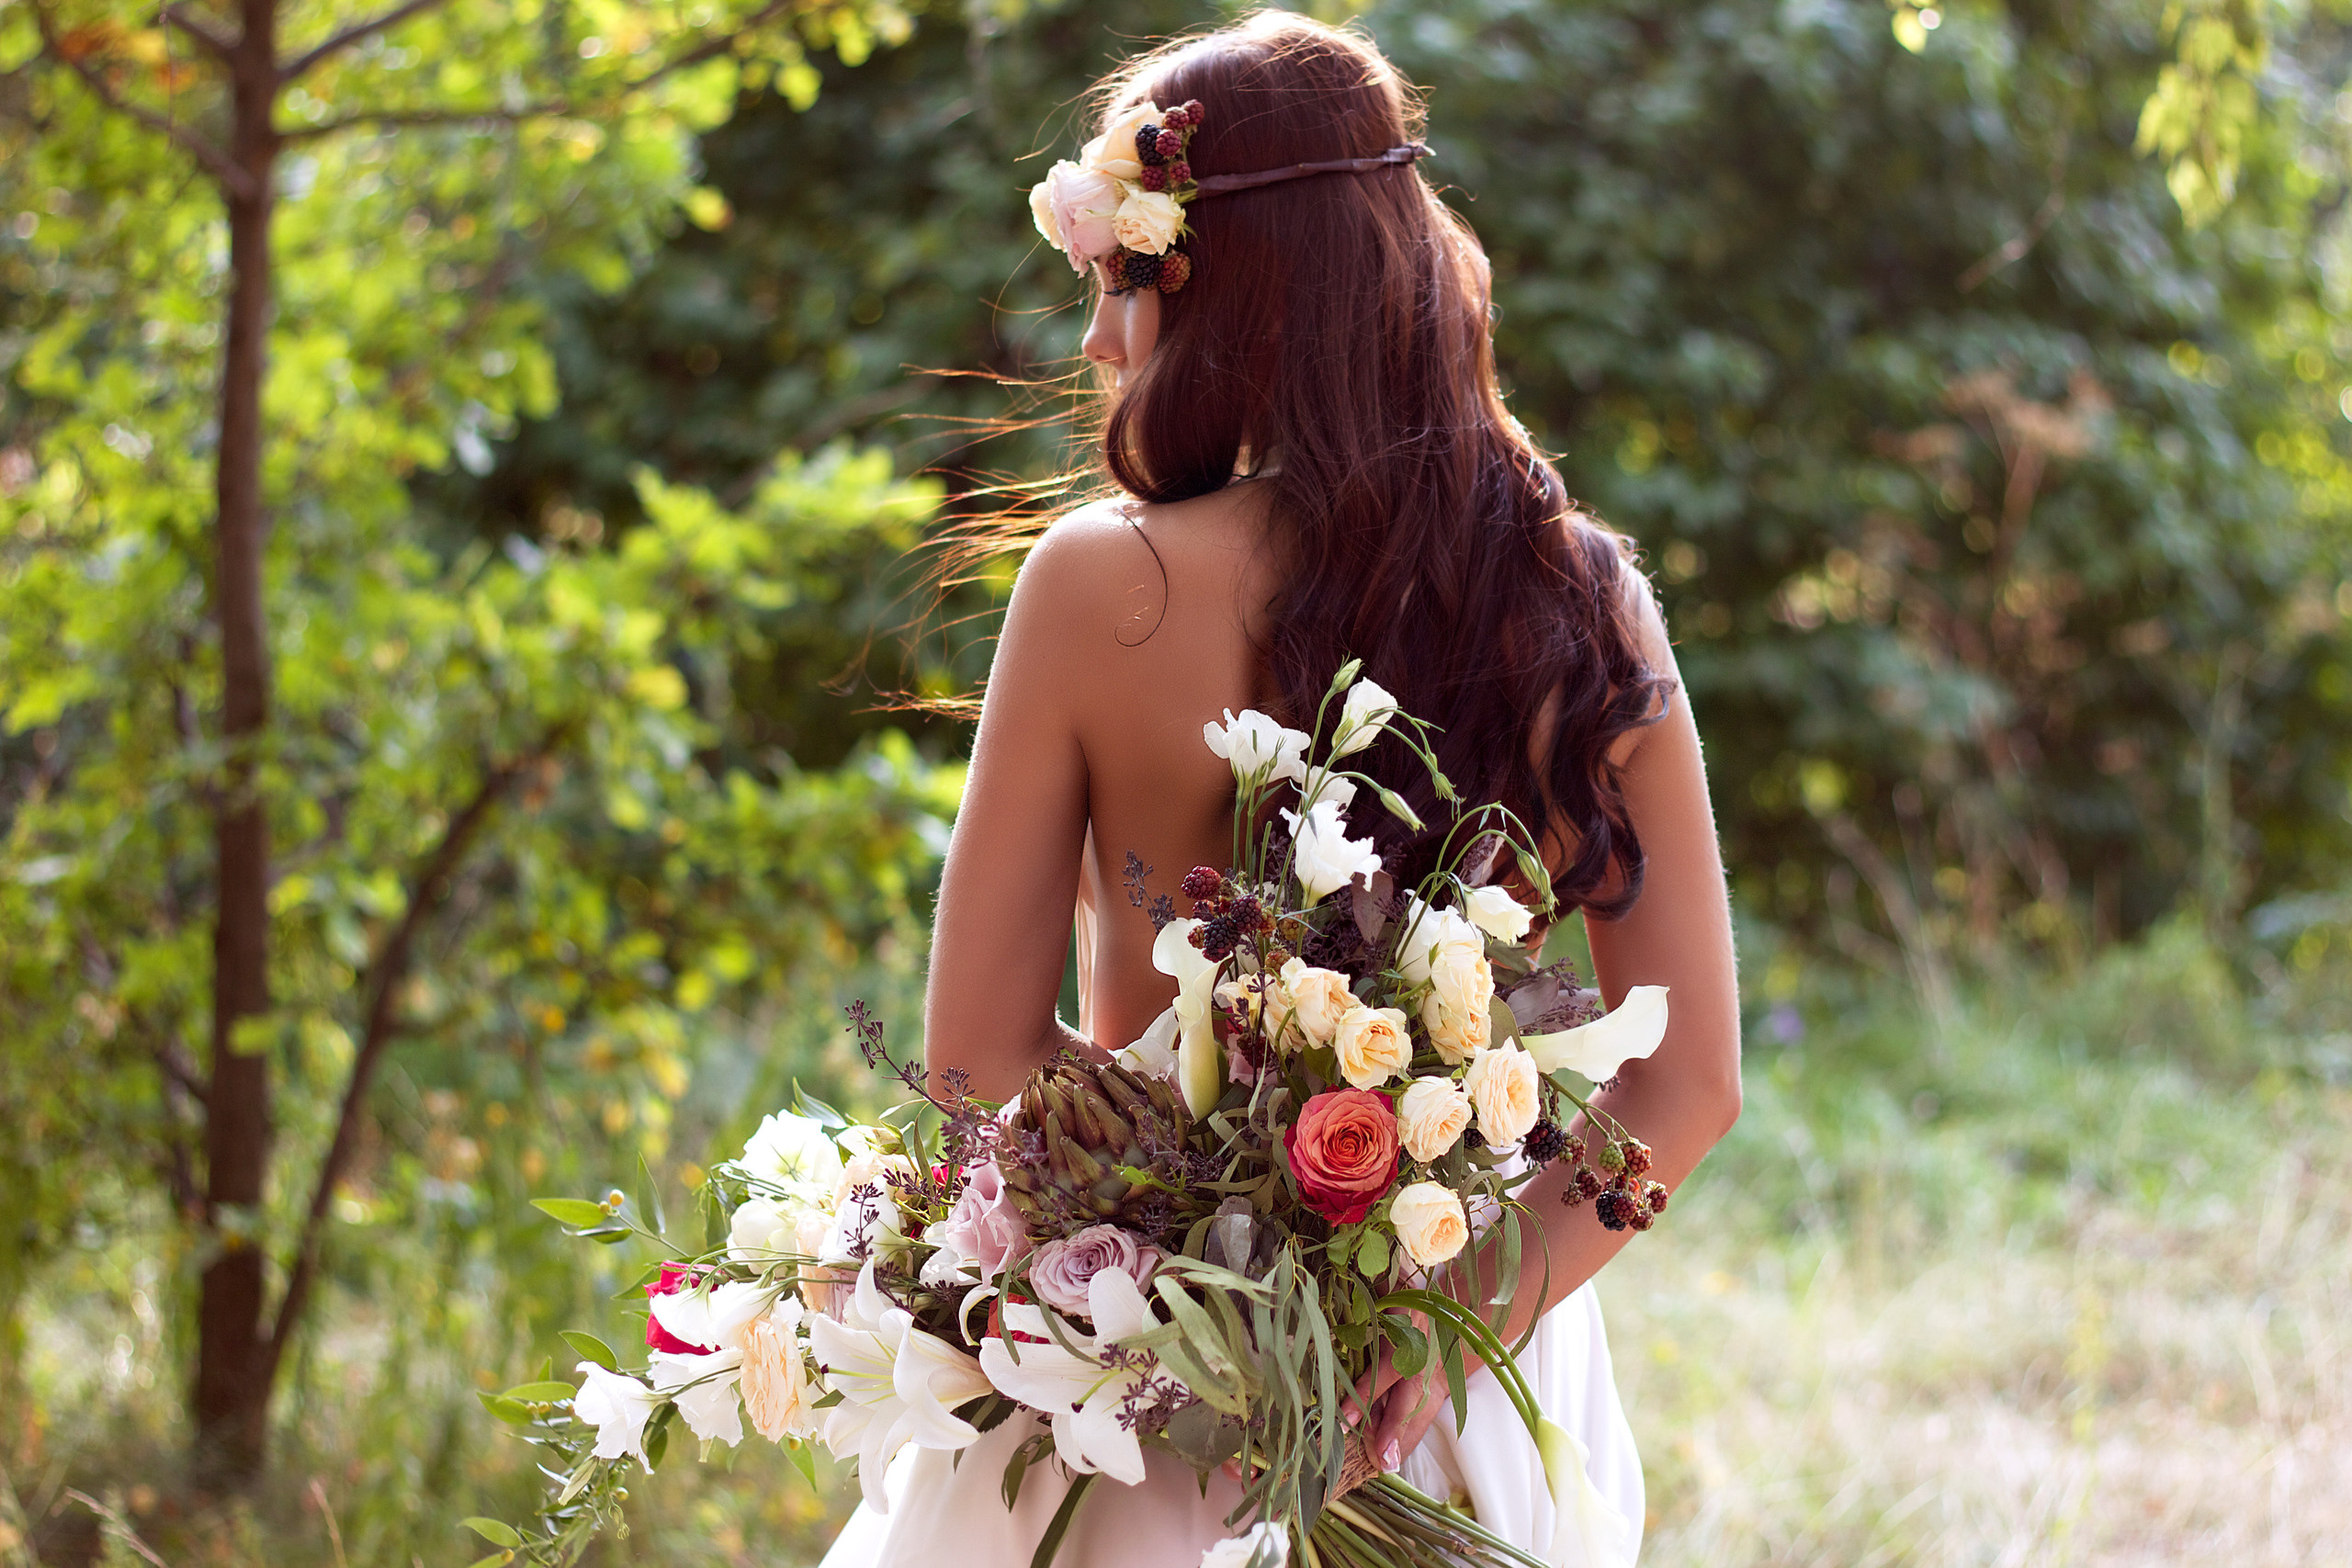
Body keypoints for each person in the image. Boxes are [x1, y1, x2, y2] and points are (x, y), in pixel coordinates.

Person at [823, 12, 1741, 1565]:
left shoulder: (1096, 586)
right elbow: (1690, 1085)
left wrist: (1199, 1247)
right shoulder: (1584, 596)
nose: (1099, 341)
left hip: (1139, 1382)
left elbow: (973, 1062)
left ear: (1226, 289)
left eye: (1119, 278)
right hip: (1456, 1384)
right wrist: (1436, 1330)